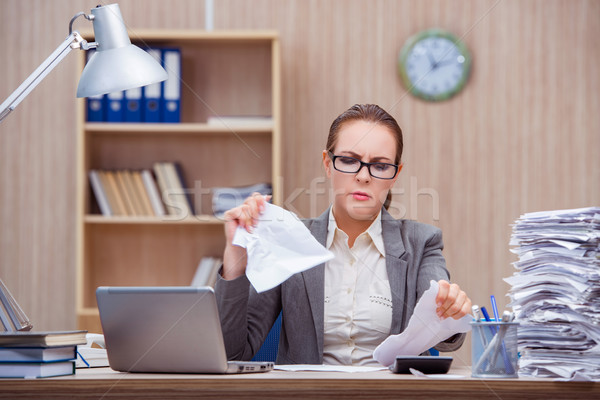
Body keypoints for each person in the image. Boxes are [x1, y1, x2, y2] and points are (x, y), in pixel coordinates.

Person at [215, 104, 471, 366]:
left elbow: (445, 336)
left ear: (395, 175)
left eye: (380, 166)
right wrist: (236, 257)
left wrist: (450, 310)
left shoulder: (422, 241)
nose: (363, 176)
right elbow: (233, 354)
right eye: (349, 161)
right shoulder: (289, 240)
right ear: (328, 164)